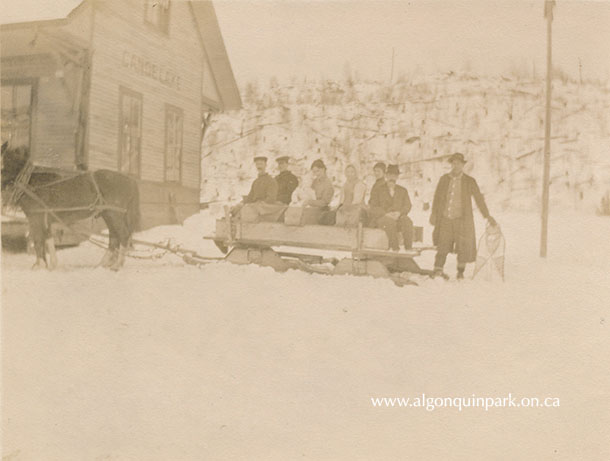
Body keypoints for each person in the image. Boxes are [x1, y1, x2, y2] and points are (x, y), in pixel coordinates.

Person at [429, 152, 497, 279]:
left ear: (463, 165)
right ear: (451, 164)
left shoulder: (469, 181)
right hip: (445, 219)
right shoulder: (444, 179)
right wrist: (433, 214)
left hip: (462, 220)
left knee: (463, 246)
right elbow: (437, 198)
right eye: (454, 163)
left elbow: (479, 199)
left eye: (458, 163)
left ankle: (460, 272)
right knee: (442, 245)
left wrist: (487, 216)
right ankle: (438, 270)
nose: (456, 166)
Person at [367, 164, 413, 251]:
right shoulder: (378, 190)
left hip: (398, 217)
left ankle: (408, 248)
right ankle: (395, 249)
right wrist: (386, 214)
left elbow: (408, 205)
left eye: (395, 175)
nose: (392, 178)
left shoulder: (402, 190)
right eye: (390, 175)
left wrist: (399, 213)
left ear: (397, 177)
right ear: (386, 176)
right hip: (382, 218)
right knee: (389, 222)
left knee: (407, 221)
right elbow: (373, 206)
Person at [231, 156, 284, 222]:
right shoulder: (255, 182)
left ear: (265, 165)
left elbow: (271, 199)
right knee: (238, 209)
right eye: (257, 164)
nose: (259, 166)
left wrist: (257, 204)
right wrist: (241, 203)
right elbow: (250, 197)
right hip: (256, 207)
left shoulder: (271, 181)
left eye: (261, 164)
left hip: (266, 208)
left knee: (248, 210)